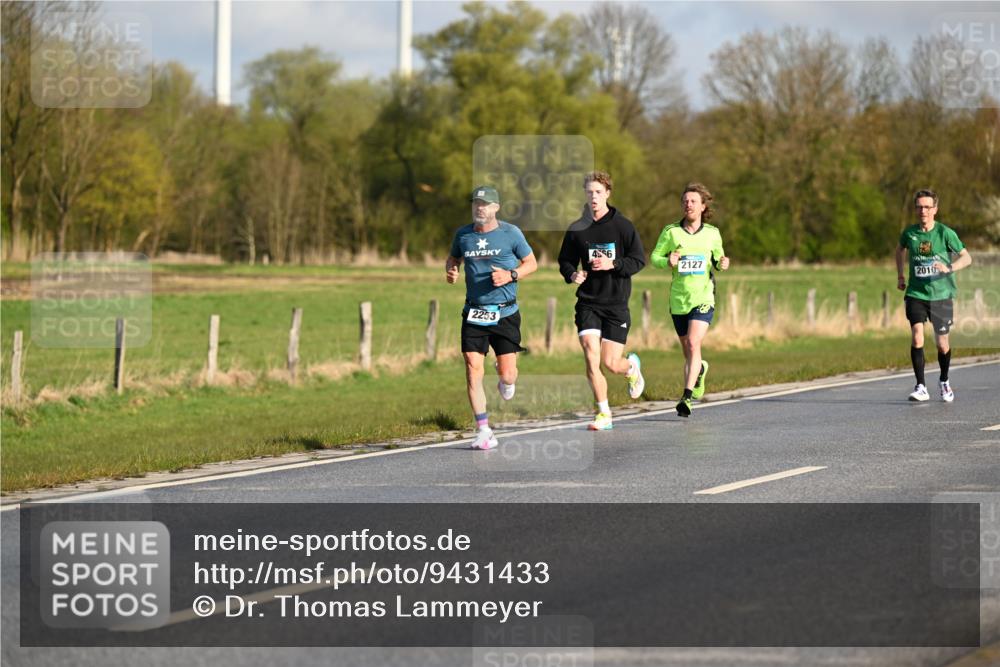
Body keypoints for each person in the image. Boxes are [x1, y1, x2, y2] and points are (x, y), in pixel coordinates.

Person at [446, 186, 538, 449]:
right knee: (473, 367)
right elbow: (453, 258)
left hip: (505, 312)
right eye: (476, 203)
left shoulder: (511, 234)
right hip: (474, 311)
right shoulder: (463, 235)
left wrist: (511, 275)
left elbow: (532, 263)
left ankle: (504, 378)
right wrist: (451, 271)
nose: (479, 208)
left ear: (496, 208)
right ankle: (484, 430)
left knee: (508, 375)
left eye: (485, 204)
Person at [557, 171, 646, 431]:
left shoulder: (623, 226)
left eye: (598, 192)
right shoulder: (577, 229)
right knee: (590, 354)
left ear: (607, 193)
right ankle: (604, 413)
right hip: (588, 302)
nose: (593, 197)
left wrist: (613, 263)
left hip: (616, 303)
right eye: (589, 192)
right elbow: (564, 260)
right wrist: (572, 273)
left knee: (611, 363)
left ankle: (631, 367)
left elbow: (638, 260)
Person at [649, 183, 730, 417]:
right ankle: (700, 370)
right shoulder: (671, 232)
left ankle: (686, 397)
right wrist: (668, 261)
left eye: (693, 201)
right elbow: (654, 257)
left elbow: (717, 260)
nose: (688, 204)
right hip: (679, 299)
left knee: (694, 343)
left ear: (703, 206)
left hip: (703, 297)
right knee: (688, 350)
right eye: (685, 201)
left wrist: (722, 264)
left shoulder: (713, 233)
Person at [895, 189, 972, 402]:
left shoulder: (945, 233)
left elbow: (967, 258)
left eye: (927, 207)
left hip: (942, 295)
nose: (923, 211)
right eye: (919, 206)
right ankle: (920, 386)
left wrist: (948, 267)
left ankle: (944, 381)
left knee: (942, 344)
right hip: (916, 293)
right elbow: (899, 250)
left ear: (935, 209)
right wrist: (901, 275)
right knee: (917, 336)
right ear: (915, 209)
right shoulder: (909, 233)